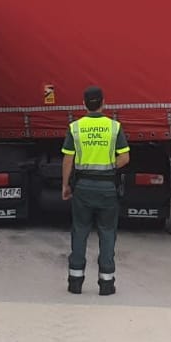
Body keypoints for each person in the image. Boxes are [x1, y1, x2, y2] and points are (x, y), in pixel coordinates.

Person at [61, 85, 130, 295]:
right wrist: (109, 167)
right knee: (107, 233)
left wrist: (65, 185)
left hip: (82, 188)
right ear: (103, 103)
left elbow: (68, 158)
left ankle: (75, 282)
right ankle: (106, 284)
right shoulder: (114, 127)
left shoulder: (75, 128)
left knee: (80, 231)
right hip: (107, 187)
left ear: (84, 104)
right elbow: (125, 158)